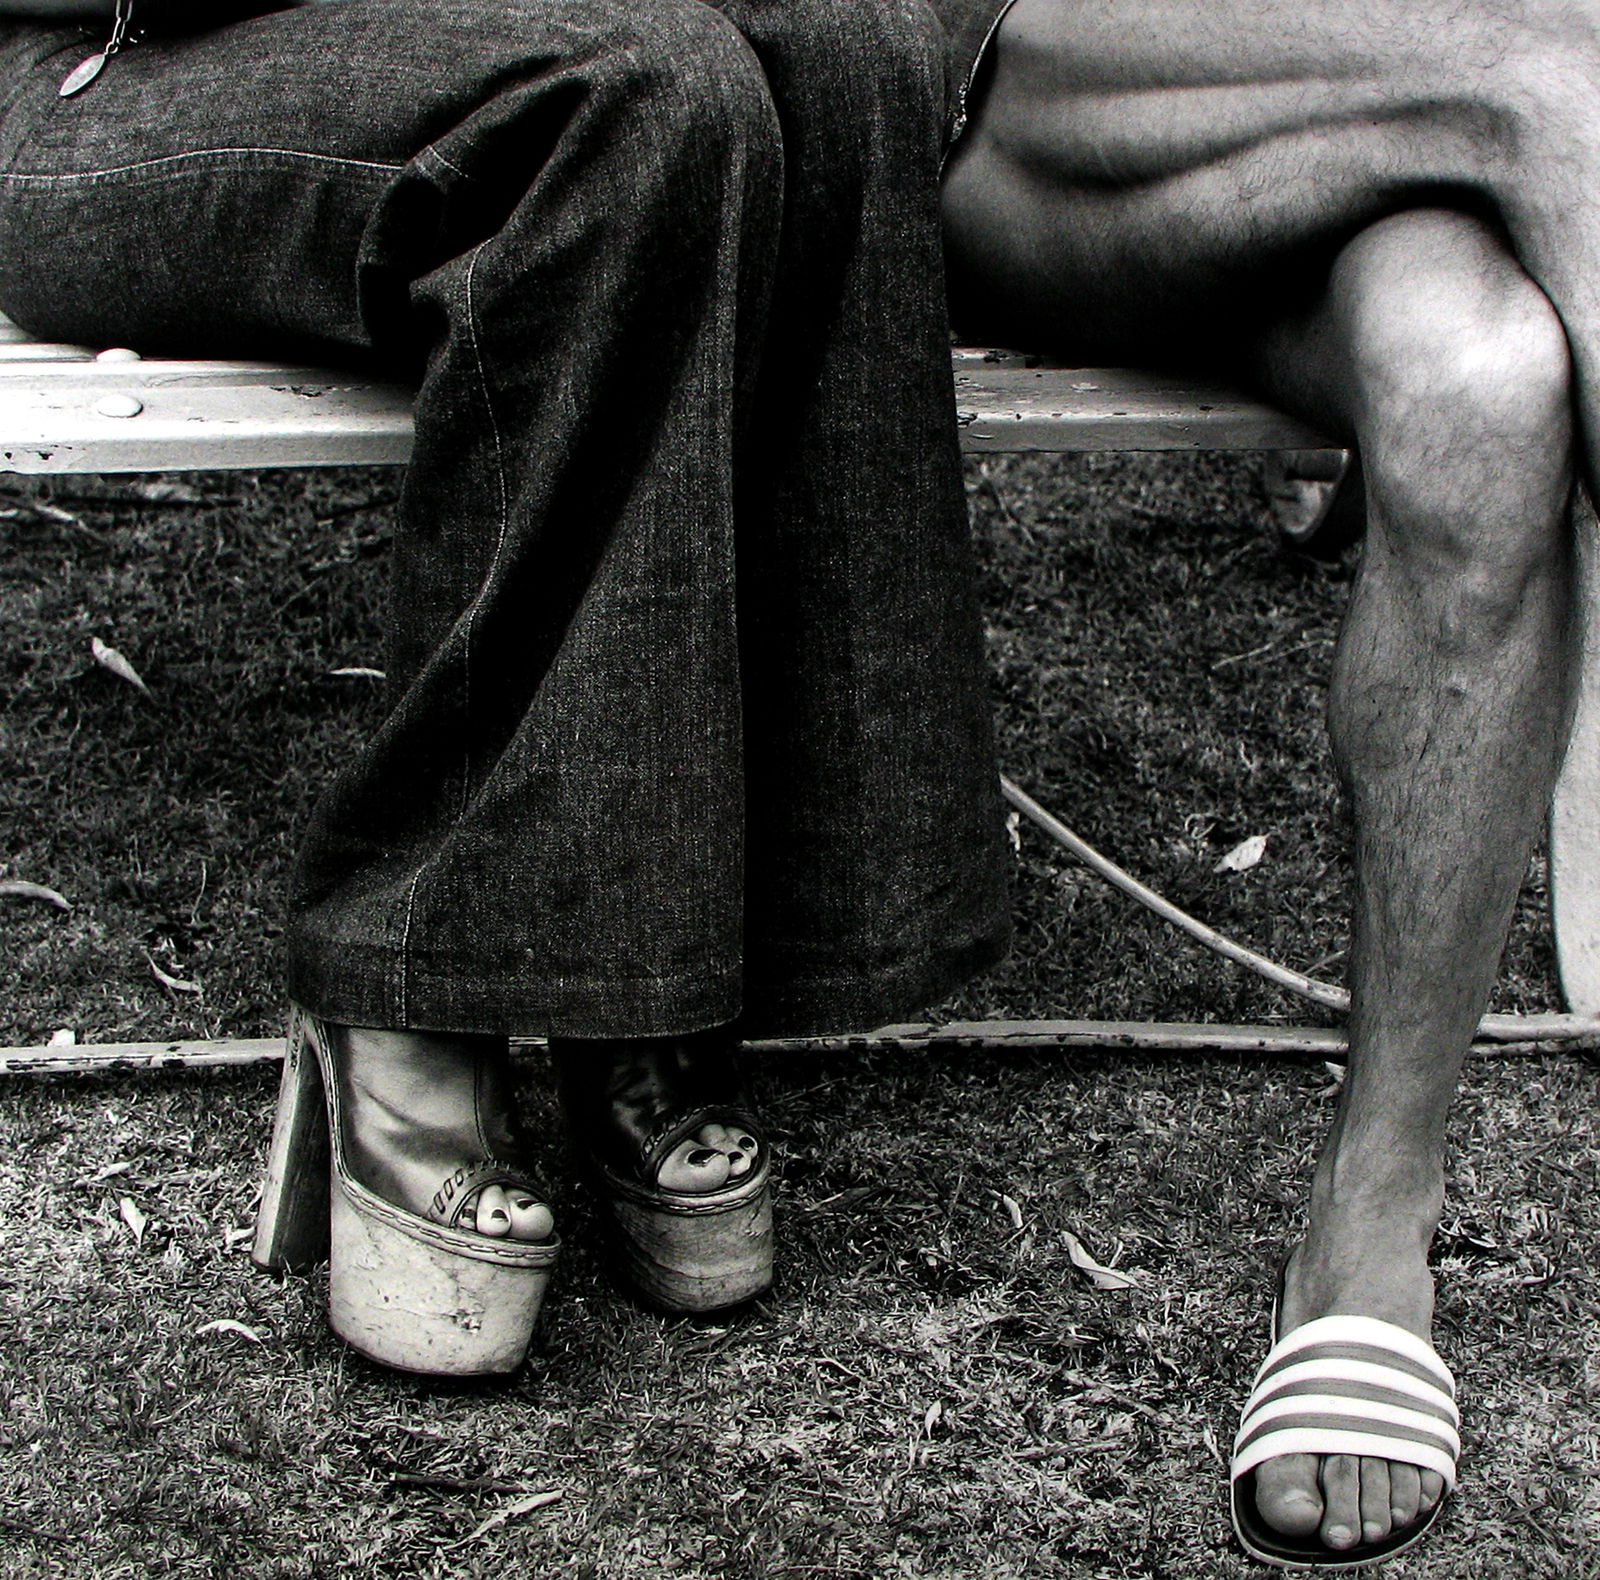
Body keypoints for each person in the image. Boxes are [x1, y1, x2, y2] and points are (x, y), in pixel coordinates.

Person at [0, 0, 1009, 1373]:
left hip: (456, 36)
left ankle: (653, 945)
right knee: (642, 94)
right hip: (106, 71)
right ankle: (422, 966)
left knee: (851, 40)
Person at [935, 0, 1597, 1565]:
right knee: (1555, 81)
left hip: (1416, 148)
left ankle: (1375, 1205)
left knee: (1480, 388)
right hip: (1019, 102)